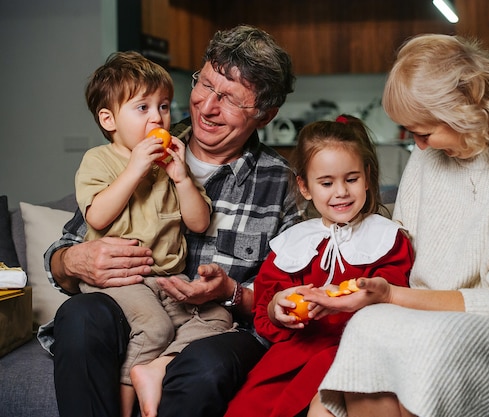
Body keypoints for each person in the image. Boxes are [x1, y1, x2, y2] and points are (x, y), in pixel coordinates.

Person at [303, 34, 489, 417]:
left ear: (467, 110)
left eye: (424, 133)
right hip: (427, 320)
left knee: (434, 345)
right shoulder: (430, 157)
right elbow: (401, 253)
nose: (419, 146)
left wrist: (392, 297)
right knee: (367, 327)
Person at [40, 25, 301, 417]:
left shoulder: (281, 183)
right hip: (135, 306)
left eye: (229, 99)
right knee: (79, 317)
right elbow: (65, 248)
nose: (207, 107)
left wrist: (230, 291)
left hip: (217, 326)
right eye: (205, 85)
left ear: (265, 115)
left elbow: (287, 295)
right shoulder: (138, 148)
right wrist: (73, 261)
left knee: (205, 365)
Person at [75, 50, 236, 417]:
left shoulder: (169, 165)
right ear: (108, 119)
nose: (158, 117)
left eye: (163, 106)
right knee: (154, 326)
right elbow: (98, 216)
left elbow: (198, 223)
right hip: (120, 279)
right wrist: (134, 168)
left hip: (166, 279)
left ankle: (156, 367)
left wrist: (180, 177)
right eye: (142, 108)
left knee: (218, 319)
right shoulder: (100, 160)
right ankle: (127, 407)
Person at [224, 115, 415, 417]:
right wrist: (277, 307)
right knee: (248, 406)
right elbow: (266, 300)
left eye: (351, 179)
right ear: (305, 186)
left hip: (354, 351)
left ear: (366, 176)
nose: (340, 192)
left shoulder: (387, 237)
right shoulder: (294, 241)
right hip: (294, 353)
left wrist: (351, 295)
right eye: (326, 183)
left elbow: (395, 289)